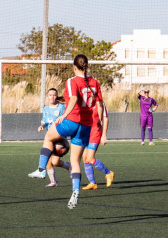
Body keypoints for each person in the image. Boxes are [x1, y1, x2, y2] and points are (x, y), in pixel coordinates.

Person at [35, 54, 103, 209]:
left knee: (48, 138)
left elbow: (73, 99)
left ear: (74, 67)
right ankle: (75, 191)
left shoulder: (72, 81)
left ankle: (41, 170)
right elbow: (100, 103)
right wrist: (98, 119)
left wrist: (63, 116)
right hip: (86, 125)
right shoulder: (95, 82)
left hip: (72, 121)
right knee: (75, 161)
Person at [28, 88, 70, 187]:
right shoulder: (46, 109)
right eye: (50, 95)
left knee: (51, 158)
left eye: (54, 95)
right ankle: (54, 181)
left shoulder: (61, 108)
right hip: (51, 137)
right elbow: (44, 120)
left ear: (56, 96)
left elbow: (66, 119)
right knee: (52, 161)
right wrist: (42, 126)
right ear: (47, 97)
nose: (52, 97)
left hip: (59, 138)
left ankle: (41, 170)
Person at [82, 101, 114, 190]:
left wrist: (104, 135)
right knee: (85, 158)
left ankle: (108, 173)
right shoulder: (84, 101)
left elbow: (105, 119)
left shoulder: (100, 103)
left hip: (95, 132)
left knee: (90, 158)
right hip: (86, 132)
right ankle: (92, 183)